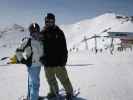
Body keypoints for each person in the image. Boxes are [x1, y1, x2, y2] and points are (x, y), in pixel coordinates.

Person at [40, 13, 73, 100]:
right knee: (51, 80)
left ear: (54, 21)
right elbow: (39, 47)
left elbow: (64, 47)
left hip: (58, 62)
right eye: (47, 21)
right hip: (47, 62)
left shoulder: (59, 32)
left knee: (64, 79)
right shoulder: (42, 33)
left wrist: (64, 60)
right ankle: (54, 92)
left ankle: (69, 92)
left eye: (51, 21)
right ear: (45, 22)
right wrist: (41, 58)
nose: (49, 23)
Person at [9, 23, 43, 100]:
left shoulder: (39, 41)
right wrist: (23, 60)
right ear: (31, 33)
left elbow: (40, 52)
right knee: (35, 85)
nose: (36, 34)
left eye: (37, 32)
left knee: (31, 83)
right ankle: (33, 98)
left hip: (38, 66)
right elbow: (18, 51)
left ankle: (31, 97)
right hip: (32, 66)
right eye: (34, 32)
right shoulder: (28, 41)